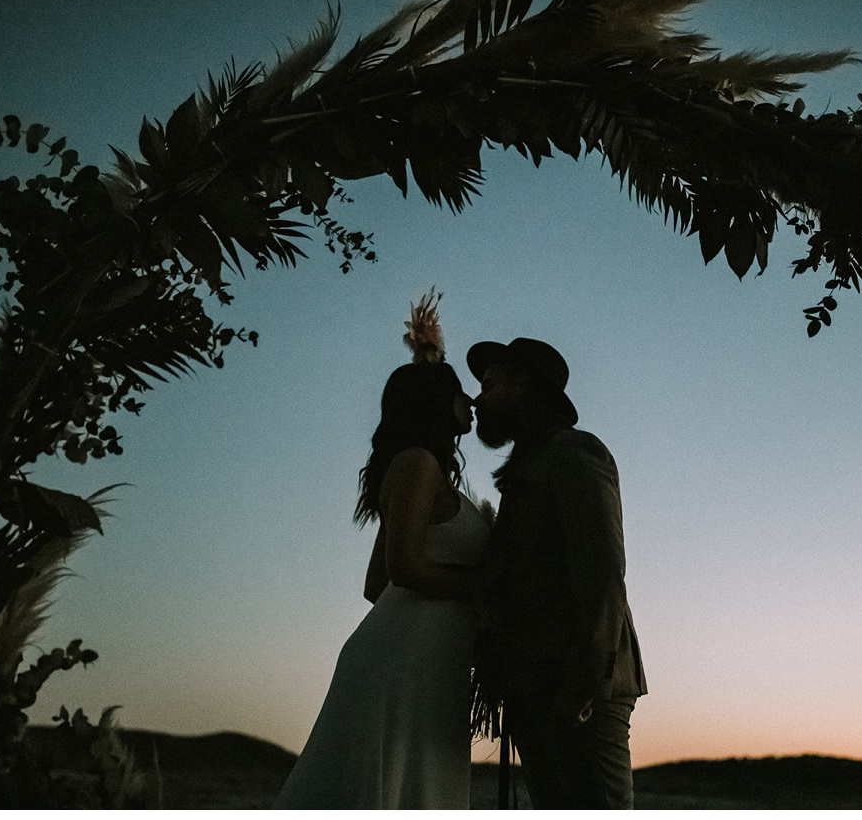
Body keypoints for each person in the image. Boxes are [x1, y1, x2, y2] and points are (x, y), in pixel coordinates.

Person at [275, 293, 490, 809]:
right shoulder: (418, 463)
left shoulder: (421, 468)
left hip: (423, 657)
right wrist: (485, 589)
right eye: (462, 394)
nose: (473, 403)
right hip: (407, 660)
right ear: (437, 404)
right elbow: (402, 568)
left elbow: (376, 584)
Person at [469, 337, 646, 809]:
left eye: (488, 384)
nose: (476, 397)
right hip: (537, 687)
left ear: (523, 385)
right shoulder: (530, 468)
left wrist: (582, 688)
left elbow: (605, 576)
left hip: (577, 691)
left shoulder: (574, 453)